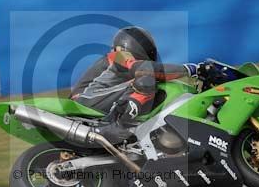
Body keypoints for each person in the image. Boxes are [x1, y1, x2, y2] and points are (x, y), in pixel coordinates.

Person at [70, 26, 206, 144]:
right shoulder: (117, 56)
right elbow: (146, 70)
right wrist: (191, 69)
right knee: (146, 80)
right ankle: (118, 128)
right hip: (84, 102)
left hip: (92, 102)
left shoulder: (116, 60)